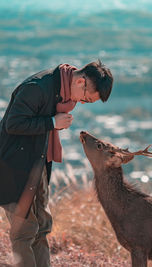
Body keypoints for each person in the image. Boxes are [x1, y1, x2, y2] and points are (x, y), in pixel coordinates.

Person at [0, 59, 113, 267]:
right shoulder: (37, 88)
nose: (81, 103)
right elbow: (13, 124)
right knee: (24, 231)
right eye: (86, 99)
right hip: (13, 165)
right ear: (81, 82)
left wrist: (52, 123)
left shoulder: (62, 92)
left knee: (42, 226)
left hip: (38, 161)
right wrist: (52, 122)